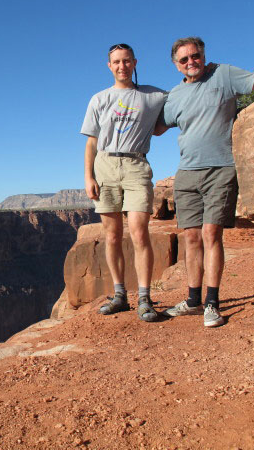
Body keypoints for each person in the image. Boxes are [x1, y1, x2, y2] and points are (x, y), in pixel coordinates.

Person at [155, 36, 254, 327]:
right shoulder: (174, 96)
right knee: (192, 238)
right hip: (187, 172)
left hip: (221, 168)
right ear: (176, 65)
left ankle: (212, 302)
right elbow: (157, 128)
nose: (191, 62)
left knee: (211, 234)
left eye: (195, 56)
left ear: (203, 56)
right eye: (184, 59)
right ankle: (193, 300)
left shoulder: (224, 74)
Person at [81, 43, 167, 322]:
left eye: (127, 61)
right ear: (109, 66)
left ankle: (144, 298)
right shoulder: (99, 99)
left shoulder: (153, 95)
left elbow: (173, 113)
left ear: (135, 62)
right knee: (112, 236)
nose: (122, 66)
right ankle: (120, 295)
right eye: (116, 62)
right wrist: (88, 176)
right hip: (104, 165)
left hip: (135, 165)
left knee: (140, 233)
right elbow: (92, 142)